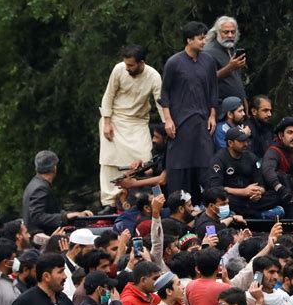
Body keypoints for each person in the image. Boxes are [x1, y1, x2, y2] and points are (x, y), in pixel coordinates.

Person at [98, 45, 162, 213]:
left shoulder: (154, 76)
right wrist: (106, 122)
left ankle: (147, 197)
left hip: (138, 121)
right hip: (115, 119)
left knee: (146, 159)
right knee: (109, 161)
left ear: (142, 62)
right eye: (126, 64)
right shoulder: (119, 69)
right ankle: (110, 203)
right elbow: (108, 95)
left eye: (131, 65)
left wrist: (167, 125)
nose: (127, 68)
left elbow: (161, 103)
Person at [159, 21, 218, 204]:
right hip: (180, 122)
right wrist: (168, 120)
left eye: (204, 38)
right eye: (200, 38)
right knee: (179, 166)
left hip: (202, 120)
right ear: (189, 39)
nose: (203, 42)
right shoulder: (174, 62)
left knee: (205, 164)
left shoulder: (208, 61)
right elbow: (164, 93)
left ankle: (210, 206)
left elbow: (213, 90)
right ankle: (179, 207)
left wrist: (213, 115)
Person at [209, 127, 285, 219]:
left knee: (277, 195)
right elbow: (215, 188)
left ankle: (241, 215)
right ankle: (261, 215)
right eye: (241, 141)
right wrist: (243, 192)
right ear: (230, 143)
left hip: (250, 199)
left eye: (246, 140)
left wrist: (258, 192)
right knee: (226, 202)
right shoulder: (219, 159)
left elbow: (261, 184)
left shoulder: (251, 157)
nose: (245, 144)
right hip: (233, 197)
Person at [22, 151, 92, 235]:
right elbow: (38, 216)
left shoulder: (36, 183)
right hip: (43, 239)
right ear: (54, 167)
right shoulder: (40, 188)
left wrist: (70, 214)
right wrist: (65, 217)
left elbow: (51, 211)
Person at [204, 15, 247, 103]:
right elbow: (207, 78)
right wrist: (230, 67)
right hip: (220, 107)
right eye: (226, 32)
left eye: (233, 32)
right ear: (217, 33)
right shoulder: (208, 52)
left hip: (237, 106)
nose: (230, 35)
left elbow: (236, 80)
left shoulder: (231, 50)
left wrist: (244, 100)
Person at [63, 228, 98, 299]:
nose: (92, 254)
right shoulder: (61, 268)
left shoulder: (89, 266)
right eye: (90, 250)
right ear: (77, 248)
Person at [245, 95, 274, 159]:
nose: (269, 114)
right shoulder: (247, 130)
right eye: (265, 110)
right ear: (254, 111)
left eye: (270, 111)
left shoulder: (268, 127)